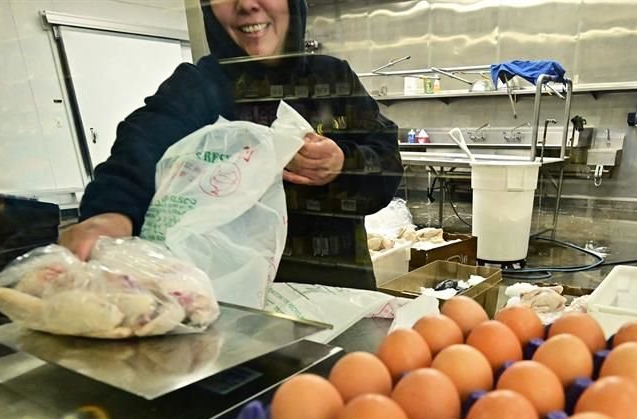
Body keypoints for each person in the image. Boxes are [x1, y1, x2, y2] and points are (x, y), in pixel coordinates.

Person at [61, 0, 403, 289]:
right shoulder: (199, 86)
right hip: (239, 308)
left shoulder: (333, 77)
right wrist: (110, 213)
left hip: (342, 295)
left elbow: (386, 162)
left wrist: (344, 163)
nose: (247, 5)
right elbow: (143, 143)